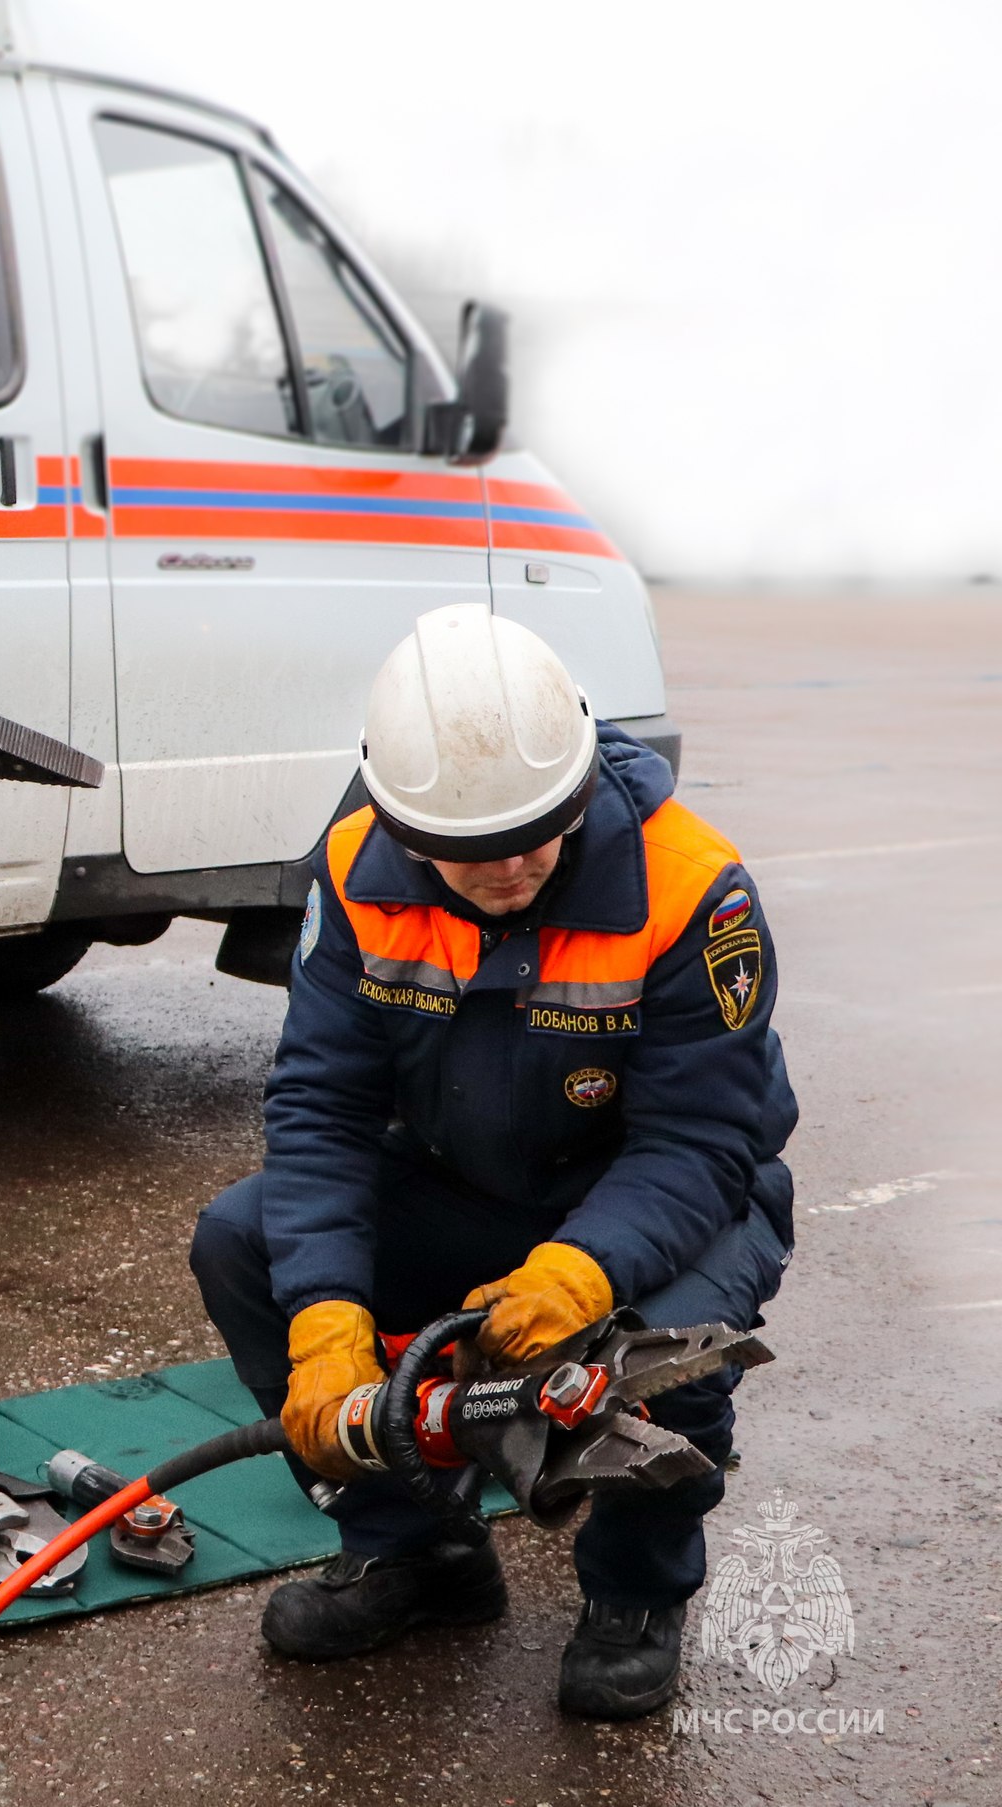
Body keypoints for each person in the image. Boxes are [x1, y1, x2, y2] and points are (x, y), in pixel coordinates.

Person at [188, 603, 796, 1719]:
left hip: (670, 1202)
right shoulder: (354, 873)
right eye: (470, 856)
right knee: (240, 1240)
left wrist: (580, 1272)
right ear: (397, 820)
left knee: (668, 1351)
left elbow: (702, 1140)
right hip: (466, 1180)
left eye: (534, 838)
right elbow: (322, 1106)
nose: (510, 871)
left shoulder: (690, 884)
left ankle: (635, 1590)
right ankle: (417, 1547)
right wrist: (324, 1317)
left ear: (573, 792)